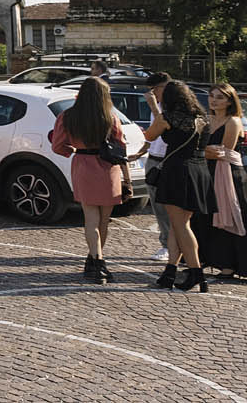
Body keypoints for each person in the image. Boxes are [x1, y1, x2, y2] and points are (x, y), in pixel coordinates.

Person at [192, 84, 247, 283]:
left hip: (229, 175)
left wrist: (200, 150)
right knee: (207, 218)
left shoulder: (233, 121)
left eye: (220, 97)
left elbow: (222, 151)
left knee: (234, 217)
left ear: (230, 101)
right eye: (212, 96)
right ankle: (214, 260)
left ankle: (235, 265)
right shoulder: (206, 120)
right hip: (207, 172)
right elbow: (201, 147)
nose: (214, 100)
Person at [49, 75, 127, 282]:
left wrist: (73, 149)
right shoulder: (110, 117)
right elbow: (121, 145)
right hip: (108, 167)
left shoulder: (68, 116)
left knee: (90, 219)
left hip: (83, 164)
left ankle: (96, 260)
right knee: (104, 220)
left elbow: (57, 146)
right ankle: (97, 260)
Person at [144, 78, 215, 291]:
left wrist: (154, 111)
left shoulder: (167, 118)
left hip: (177, 171)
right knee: (179, 225)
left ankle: (196, 273)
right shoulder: (203, 119)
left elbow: (149, 136)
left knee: (181, 226)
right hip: (199, 169)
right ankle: (170, 273)